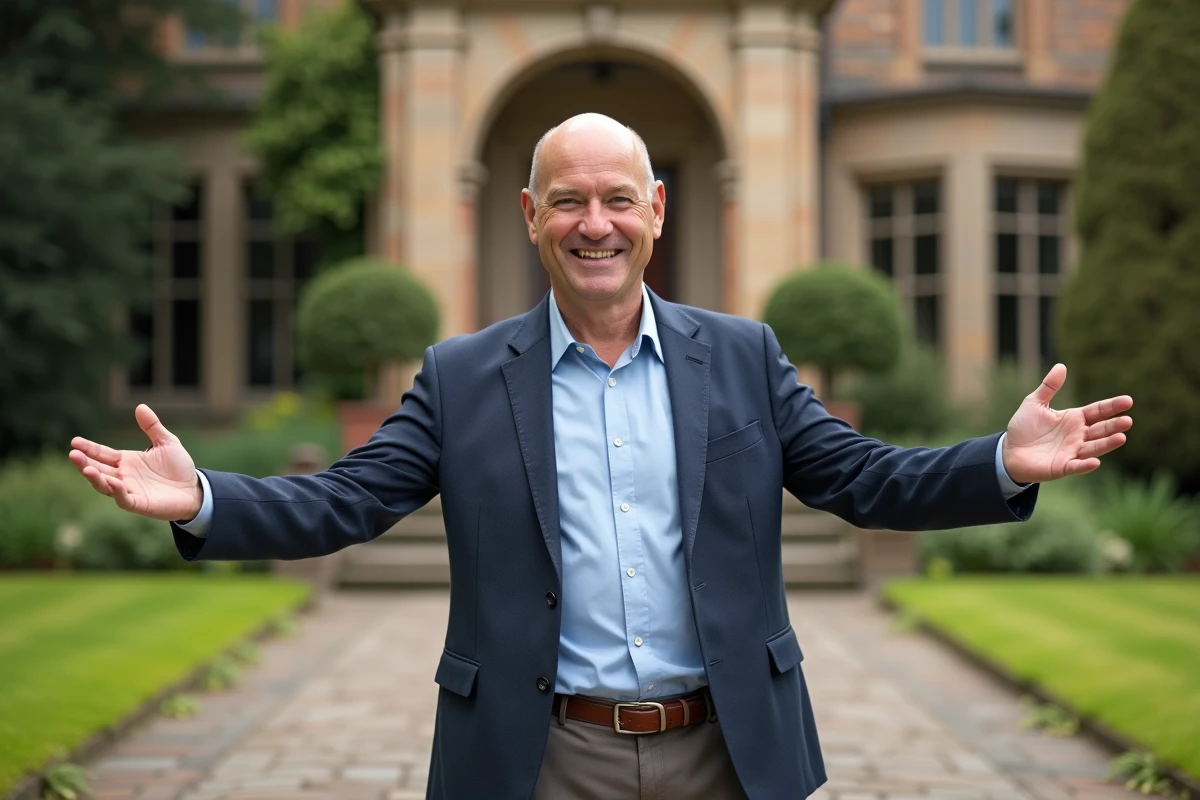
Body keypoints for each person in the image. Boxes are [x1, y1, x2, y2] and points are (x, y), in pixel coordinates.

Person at [68, 113, 1133, 800]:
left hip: (729, 746)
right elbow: (345, 500)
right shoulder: (462, 373)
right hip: (541, 755)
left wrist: (1000, 459)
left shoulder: (747, 356)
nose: (595, 223)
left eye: (618, 197)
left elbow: (864, 478)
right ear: (532, 217)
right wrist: (202, 495)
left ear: (655, 212)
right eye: (568, 200)